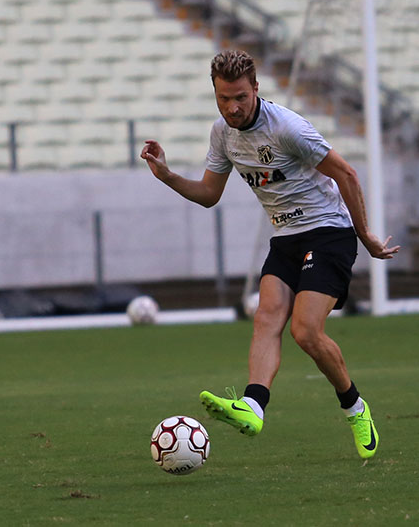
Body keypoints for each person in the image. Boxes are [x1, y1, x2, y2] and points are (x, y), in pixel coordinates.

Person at [140, 50, 399, 460]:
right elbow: (209, 195)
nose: (233, 107)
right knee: (266, 316)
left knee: (305, 332)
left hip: (329, 232)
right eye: (224, 98)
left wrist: (365, 235)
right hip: (286, 238)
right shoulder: (222, 134)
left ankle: (355, 406)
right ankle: (253, 406)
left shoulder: (287, 129)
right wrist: (168, 175)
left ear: (256, 90)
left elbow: (346, 173)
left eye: (240, 97)